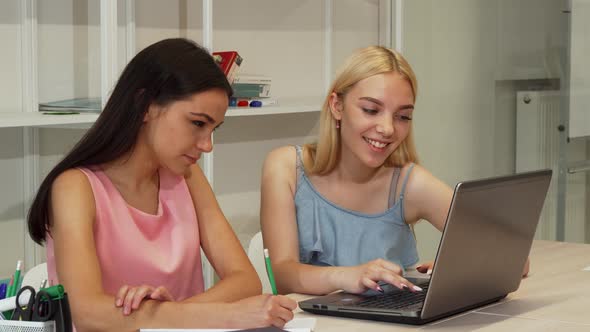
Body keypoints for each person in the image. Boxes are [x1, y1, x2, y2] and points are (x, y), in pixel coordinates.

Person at [27, 38, 296, 332]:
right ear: (145, 106)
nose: (207, 145)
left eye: (213, 129)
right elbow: (87, 313)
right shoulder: (74, 188)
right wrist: (210, 315)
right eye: (197, 123)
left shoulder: (189, 178)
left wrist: (166, 314)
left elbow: (245, 280)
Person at [260, 45, 530, 296]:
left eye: (403, 116)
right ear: (337, 106)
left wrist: (461, 269)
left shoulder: (409, 184)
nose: (388, 129)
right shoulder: (286, 168)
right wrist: (347, 277)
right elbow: (282, 275)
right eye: (371, 110)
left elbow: (515, 258)